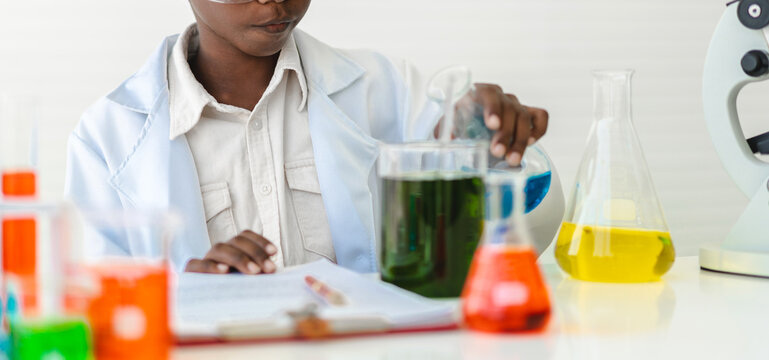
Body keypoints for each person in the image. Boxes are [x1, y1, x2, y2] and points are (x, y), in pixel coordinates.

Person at [65, 0, 563, 275]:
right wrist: (189, 297)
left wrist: (487, 140)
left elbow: (524, 225)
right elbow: (91, 312)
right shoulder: (109, 138)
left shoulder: (385, 90)